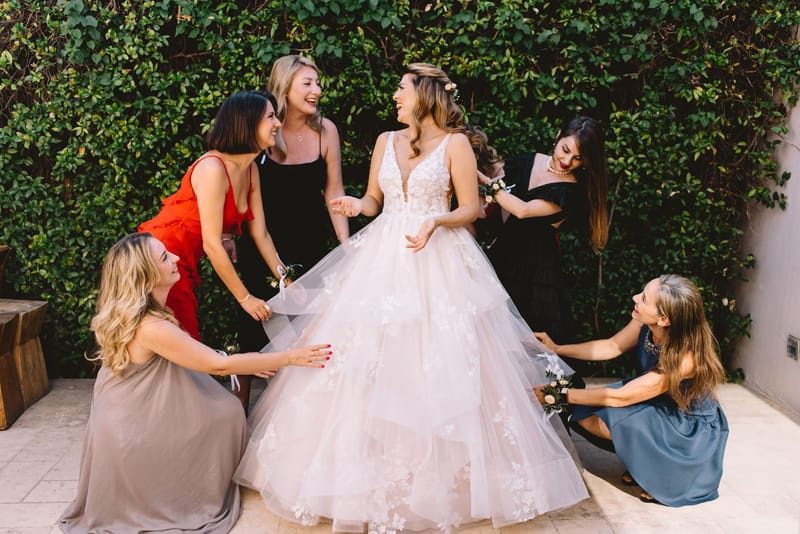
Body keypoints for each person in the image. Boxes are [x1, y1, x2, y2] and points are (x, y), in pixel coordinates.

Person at [233, 63, 588, 532]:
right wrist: (355, 206)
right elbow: (375, 202)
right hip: (383, 254)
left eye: (401, 89)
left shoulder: (456, 144)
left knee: (441, 360)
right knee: (364, 362)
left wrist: (435, 222)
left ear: (423, 95)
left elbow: (467, 208)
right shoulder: (385, 140)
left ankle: (444, 476)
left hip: (439, 257)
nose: (395, 97)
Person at [59, 232, 331, 533]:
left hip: (124, 416)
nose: (176, 258)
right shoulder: (151, 326)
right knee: (223, 414)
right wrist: (290, 357)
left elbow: (196, 355)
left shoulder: (145, 315)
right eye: (165, 258)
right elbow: (218, 365)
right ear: (147, 277)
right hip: (131, 428)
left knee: (223, 408)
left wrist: (252, 362)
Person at [534, 274, 729, 506]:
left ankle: (665, 472)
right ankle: (644, 462)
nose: (635, 298)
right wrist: (557, 348)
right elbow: (612, 346)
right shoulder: (644, 323)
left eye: (644, 298)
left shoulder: (686, 357)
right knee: (585, 411)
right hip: (658, 402)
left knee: (608, 416)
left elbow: (619, 398)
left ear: (664, 319)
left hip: (686, 425)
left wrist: (556, 395)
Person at [235, 55, 350, 411]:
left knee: (308, 331)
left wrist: (347, 246)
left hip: (310, 244)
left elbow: (334, 191)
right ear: (284, 86)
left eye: (317, 84)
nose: (316, 91)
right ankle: (237, 415)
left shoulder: (326, 131)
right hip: (262, 241)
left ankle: (299, 412)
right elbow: (239, 188)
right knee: (253, 330)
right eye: (307, 84)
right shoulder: (264, 130)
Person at [138, 90, 285, 341]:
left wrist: (286, 278)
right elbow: (212, 244)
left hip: (184, 257)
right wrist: (245, 298)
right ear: (248, 122)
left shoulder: (251, 170)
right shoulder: (212, 168)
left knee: (179, 336)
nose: (278, 124)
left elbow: (260, 233)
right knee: (180, 336)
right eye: (270, 117)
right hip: (163, 256)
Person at [479, 117, 609, 348]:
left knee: (526, 342)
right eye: (565, 149)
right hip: (502, 256)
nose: (567, 161)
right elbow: (499, 201)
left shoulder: (570, 192)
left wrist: (485, 182)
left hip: (535, 273)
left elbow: (522, 210)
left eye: (578, 158)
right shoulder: (526, 161)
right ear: (558, 136)